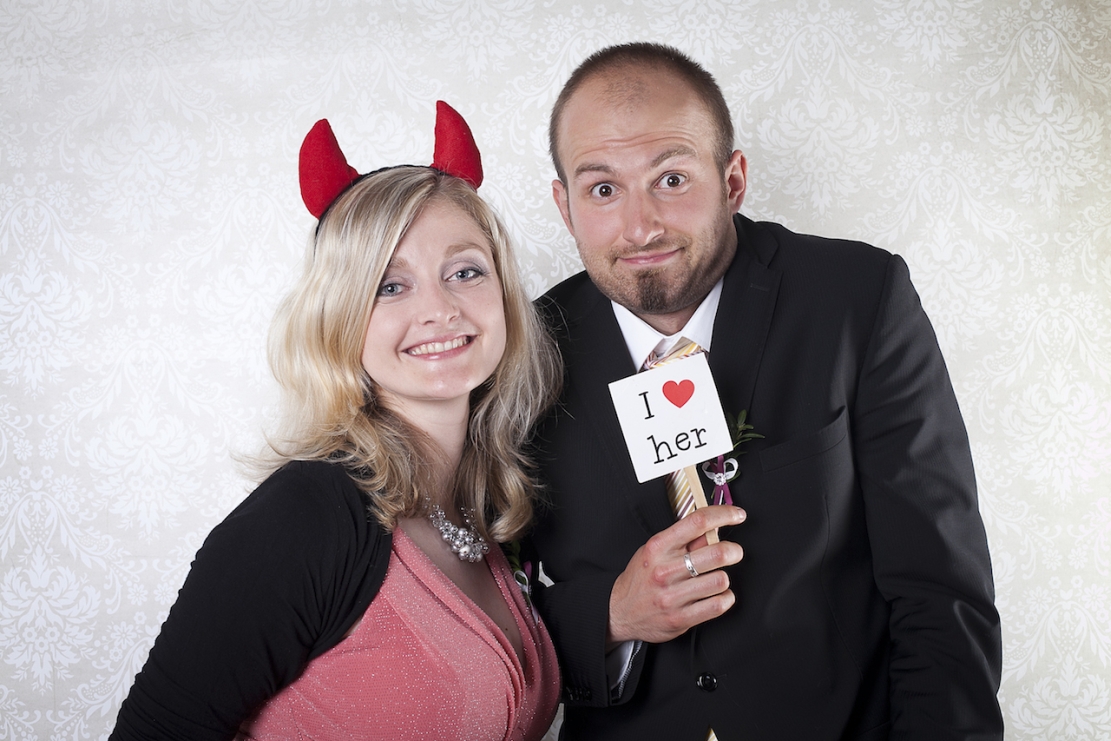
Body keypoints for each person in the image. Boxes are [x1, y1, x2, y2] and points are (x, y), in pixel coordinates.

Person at [526, 43, 1003, 740]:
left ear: (733, 181)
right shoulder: (522, 353)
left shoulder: (857, 299)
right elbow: (482, 623)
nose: (640, 226)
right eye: (603, 190)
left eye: (671, 179)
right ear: (565, 207)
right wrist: (611, 615)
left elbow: (940, 592)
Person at [110, 102, 562, 741]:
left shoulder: (482, 512)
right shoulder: (304, 516)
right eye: (389, 286)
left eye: (465, 272)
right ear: (339, 318)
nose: (440, 309)